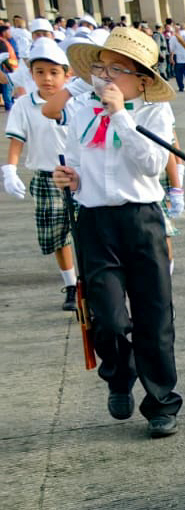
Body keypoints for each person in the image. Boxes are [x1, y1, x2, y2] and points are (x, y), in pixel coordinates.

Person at [53, 26, 183, 436]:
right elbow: (73, 160)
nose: (106, 77)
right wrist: (67, 176)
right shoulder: (78, 110)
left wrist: (120, 116)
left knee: (154, 315)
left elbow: (151, 165)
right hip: (94, 221)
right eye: (102, 68)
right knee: (107, 316)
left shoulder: (154, 113)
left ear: (142, 80)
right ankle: (118, 374)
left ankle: (162, 401)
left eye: (118, 70)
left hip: (142, 219)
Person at [4, 38, 79, 311]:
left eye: (54, 72)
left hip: (80, 176)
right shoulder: (25, 105)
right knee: (57, 235)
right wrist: (9, 169)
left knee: (88, 232)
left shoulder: (77, 100)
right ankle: (71, 284)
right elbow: (16, 141)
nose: (47, 79)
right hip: (47, 178)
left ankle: (91, 282)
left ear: (66, 73)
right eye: (40, 72)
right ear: (31, 73)